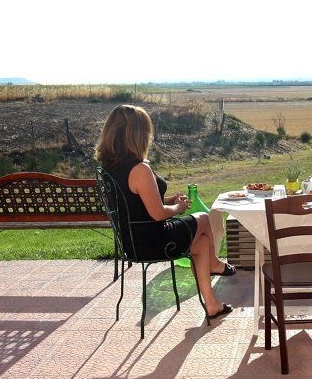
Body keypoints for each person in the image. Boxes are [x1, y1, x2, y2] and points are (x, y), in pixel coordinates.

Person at [95, 104, 232, 319]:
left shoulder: (109, 167)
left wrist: (167, 200)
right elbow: (157, 214)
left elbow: (134, 203)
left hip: (131, 242)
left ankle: (212, 304)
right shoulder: (139, 169)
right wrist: (179, 207)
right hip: (153, 241)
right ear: (138, 134)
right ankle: (215, 264)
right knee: (204, 218)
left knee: (202, 243)